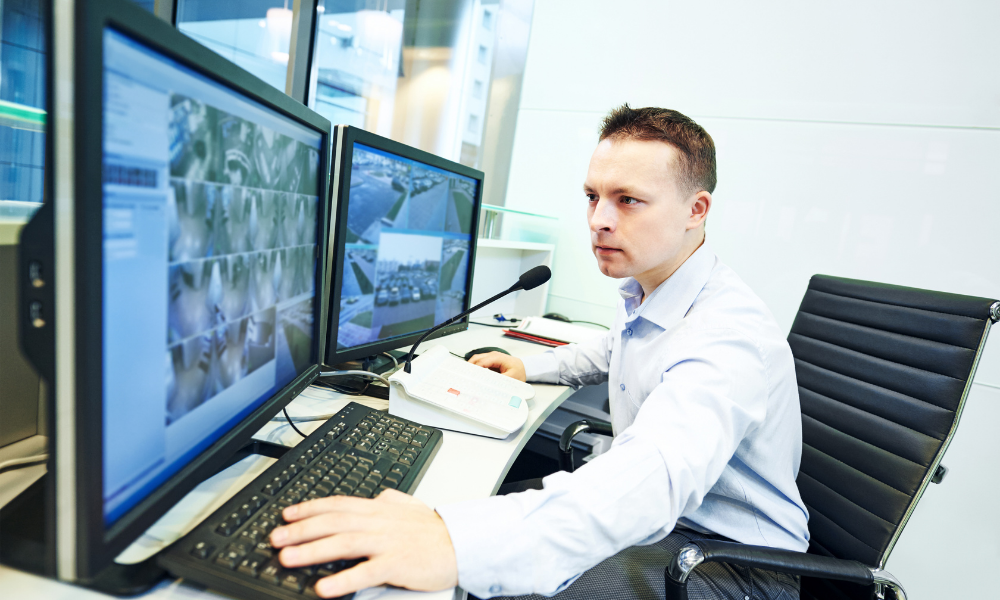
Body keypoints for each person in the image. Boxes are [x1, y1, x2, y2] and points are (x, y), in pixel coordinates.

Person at [268, 105, 810, 600]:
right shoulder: (657, 288)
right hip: (679, 532)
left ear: (696, 209)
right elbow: (616, 346)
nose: (599, 219)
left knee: (480, 579)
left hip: (733, 567)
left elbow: (653, 479)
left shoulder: (727, 337)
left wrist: (454, 544)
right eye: (593, 196)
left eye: (628, 200)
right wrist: (532, 364)